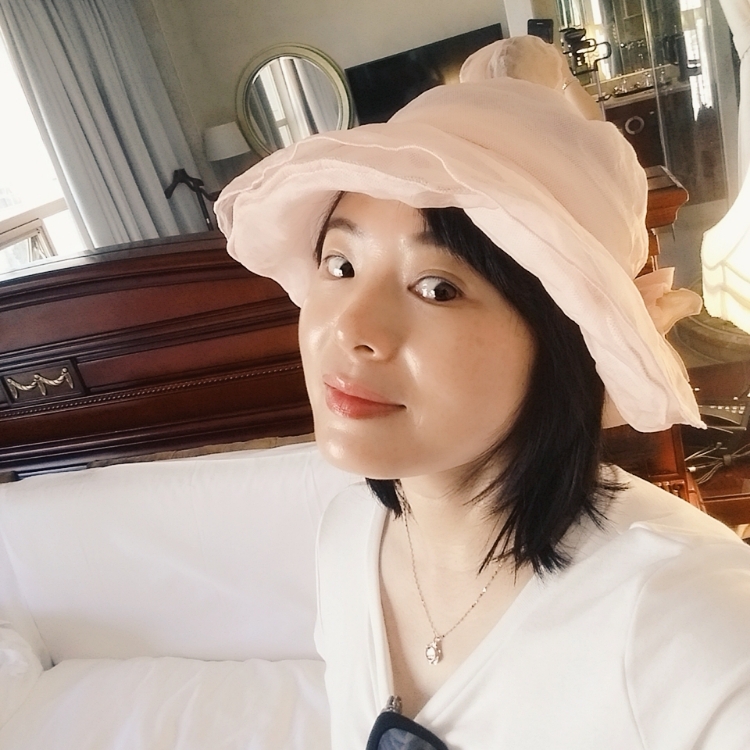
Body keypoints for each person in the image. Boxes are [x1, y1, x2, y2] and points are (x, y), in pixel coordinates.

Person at [216, 35, 750, 750]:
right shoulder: (348, 538)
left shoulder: (684, 614)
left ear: (562, 341)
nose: (350, 329)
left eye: (437, 288)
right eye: (340, 265)